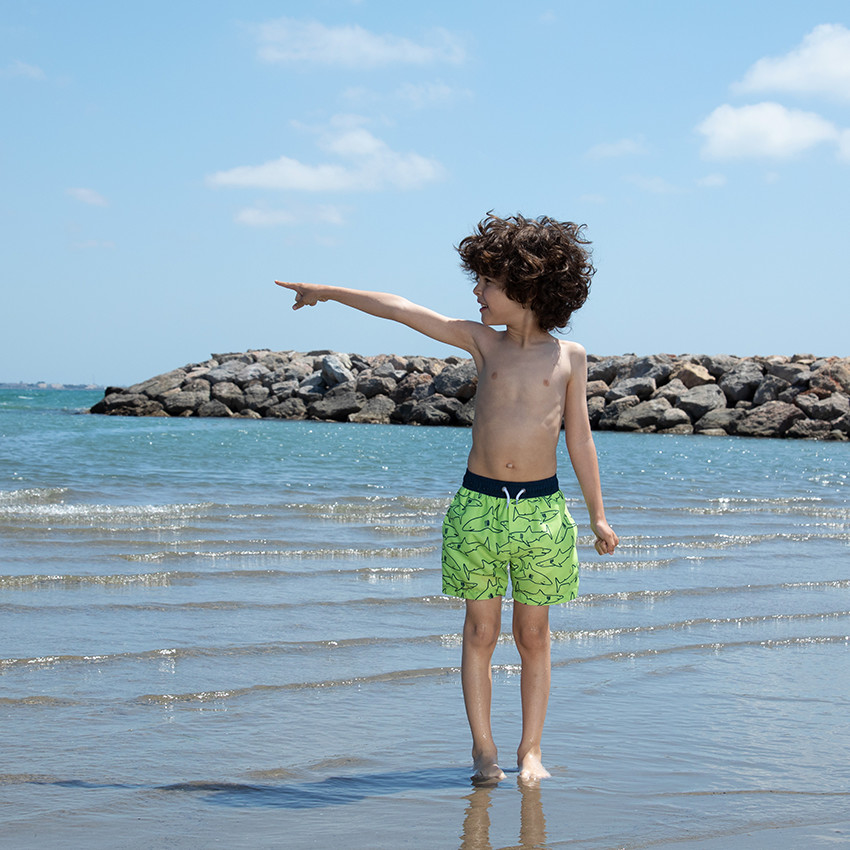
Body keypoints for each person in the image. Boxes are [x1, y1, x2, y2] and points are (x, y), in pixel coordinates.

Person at [276, 212, 618, 784]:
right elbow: (403, 309)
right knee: (479, 632)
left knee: (533, 636)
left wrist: (598, 516)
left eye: (487, 282)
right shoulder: (483, 342)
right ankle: (484, 751)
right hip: (478, 507)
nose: (477, 293)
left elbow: (580, 440)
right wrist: (328, 293)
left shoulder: (570, 358)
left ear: (527, 285)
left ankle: (530, 750)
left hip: (542, 513)